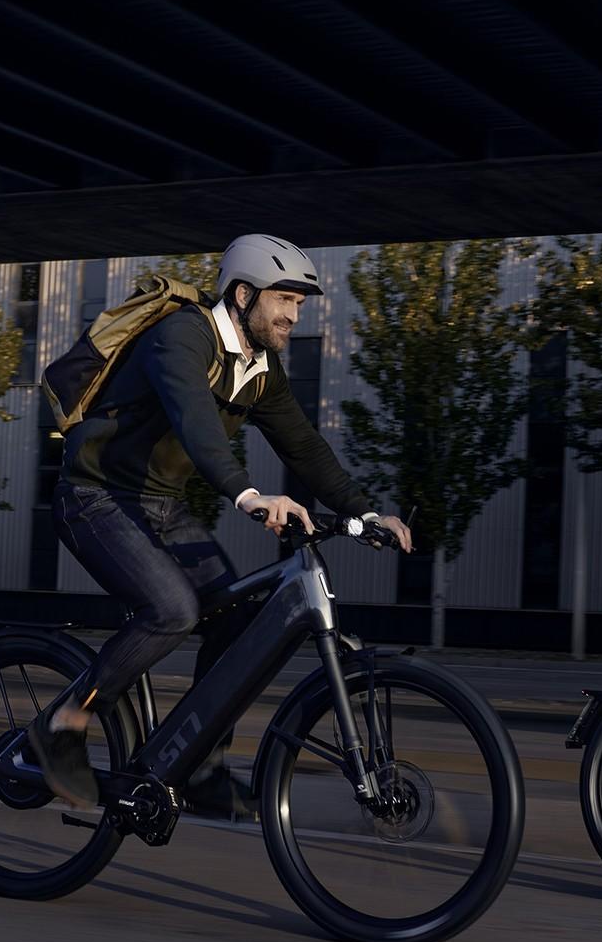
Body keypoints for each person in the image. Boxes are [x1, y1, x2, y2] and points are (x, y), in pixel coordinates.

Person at [27, 234, 413, 816]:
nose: (293, 315)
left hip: (160, 506)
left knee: (238, 618)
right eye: (284, 299)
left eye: (301, 304)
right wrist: (248, 494)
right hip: (95, 498)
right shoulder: (183, 335)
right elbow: (194, 421)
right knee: (174, 611)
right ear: (242, 294)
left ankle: (201, 767)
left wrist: (364, 510)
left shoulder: (260, 368)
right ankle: (63, 724)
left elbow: (303, 445)